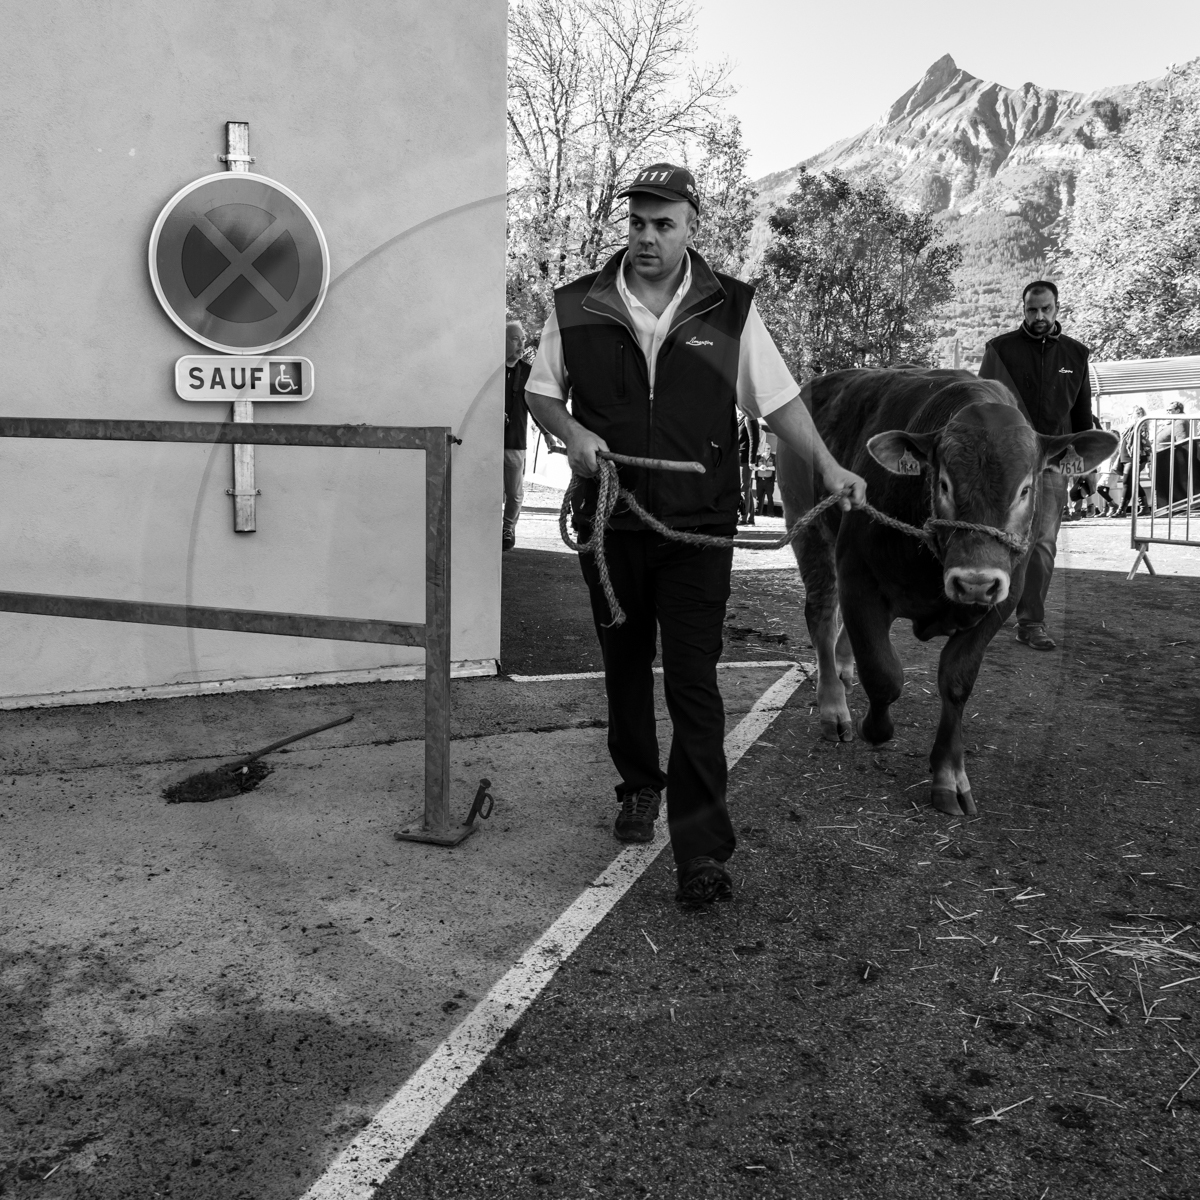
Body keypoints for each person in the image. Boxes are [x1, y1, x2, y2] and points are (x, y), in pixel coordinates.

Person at [523, 162, 866, 906]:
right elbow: (541, 392)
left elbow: (778, 403)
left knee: (693, 683)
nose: (647, 237)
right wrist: (573, 432)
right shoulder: (576, 304)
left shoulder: (730, 309)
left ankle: (703, 853)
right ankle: (639, 786)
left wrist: (833, 466)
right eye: (637, 223)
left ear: (690, 226)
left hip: (698, 531)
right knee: (623, 666)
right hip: (610, 523)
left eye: (663, 224)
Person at [979, 280, 1094, 652]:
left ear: (1057, 308)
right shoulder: (999, 350)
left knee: (1043, 544)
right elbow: (983, 405)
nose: (1039, 316)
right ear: (1023, 309)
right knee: (1000, 537)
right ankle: (985, 612)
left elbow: (1082, 414)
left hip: (1053, 464)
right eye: (1032, 310)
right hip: (1009, 463)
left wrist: (1080, 452)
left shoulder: (1076, 354)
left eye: (1046, 309)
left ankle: (1031, 622)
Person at [503, 320, 532, 552]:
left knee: (514, 494)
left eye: (522, 339)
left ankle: (507, 528)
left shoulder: (529, 372)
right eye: (515, 339)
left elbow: (538, 406)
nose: (521, 343)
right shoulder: (489, 371)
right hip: (487, 443)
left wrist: (549, 434)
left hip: (515, 443)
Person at [737, 412, 760, 524]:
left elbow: (754, 439)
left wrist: (752, 460)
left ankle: (743, 517)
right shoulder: (741, 418)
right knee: (747, 488)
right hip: (740, 458)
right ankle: (750, 517)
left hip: (745, 459)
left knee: (744, 488)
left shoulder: (749, 418)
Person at [754, 427, 777, 516]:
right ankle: (757, 512)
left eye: (769, 449)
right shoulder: (758, 457)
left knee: (770, 498)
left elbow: (775, 468)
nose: (768, 450)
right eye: (766, 448)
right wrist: (760, 468)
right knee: (758, 497)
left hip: (769, 481)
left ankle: (770, 513)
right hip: (759, 480)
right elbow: (754, 467)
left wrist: (766, 468)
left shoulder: (773, 457)